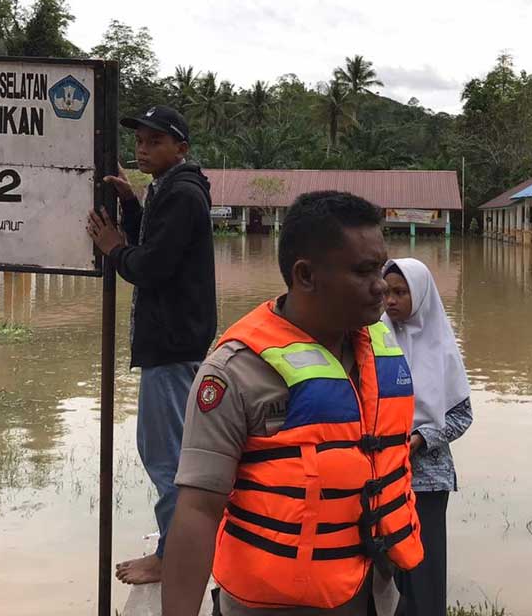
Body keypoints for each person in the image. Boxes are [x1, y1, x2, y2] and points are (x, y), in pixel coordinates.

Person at [161, 191, 424, 616]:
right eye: (363, 271)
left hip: (374, 593)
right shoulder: (234, 371)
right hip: (272, 603)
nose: (381, 286)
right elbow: (197, 510)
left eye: (381, 267)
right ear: (305, 276)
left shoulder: (378, 345)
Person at [86, 105, 217, 585]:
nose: (142, 149)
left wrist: (114, 248)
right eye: (139, 141)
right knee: (171, 451)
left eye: (155, 142)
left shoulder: (182, 194)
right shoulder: (171, 189)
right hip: (177, 342)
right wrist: (135, 204)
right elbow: (158, 242)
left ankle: (170, 557)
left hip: (174, 344)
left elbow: (152, 266)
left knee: (165, 456)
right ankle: (176, 546)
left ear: (180, 149)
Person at [381, 258, 472, 616]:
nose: (390, 300)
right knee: (386, 568)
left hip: (427, 480)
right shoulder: (376, 340)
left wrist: (421, 437)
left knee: (425, 567)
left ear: (419, 295)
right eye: (387, 291)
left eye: (400, 292)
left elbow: (462, 415)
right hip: (383, 474)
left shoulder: (442, 348)